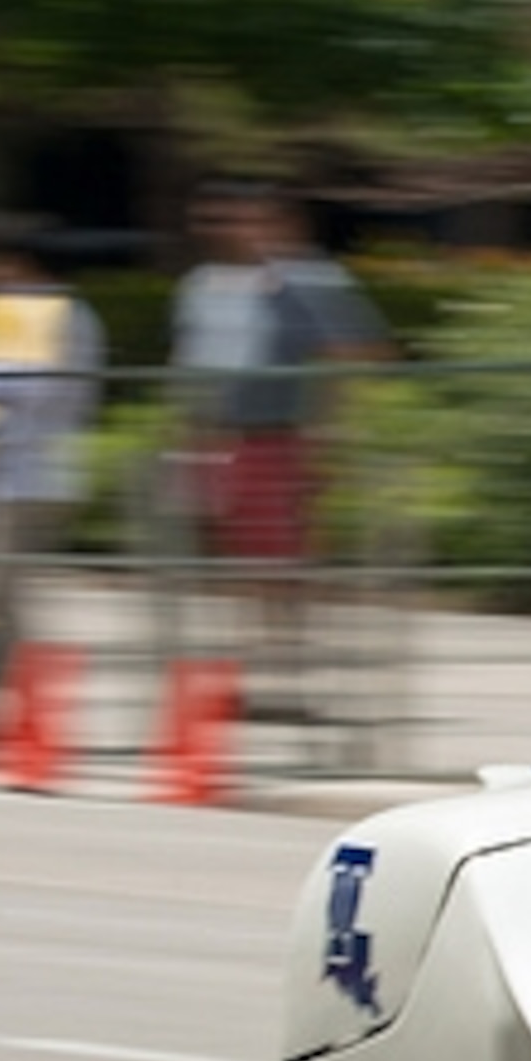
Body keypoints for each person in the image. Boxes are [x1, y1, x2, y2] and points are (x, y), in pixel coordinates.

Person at [168, 179, 389, 704]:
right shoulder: (203, 284)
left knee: (280, 560)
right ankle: (248, 667)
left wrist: (330, 427)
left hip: (277, 436)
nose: (223, 230)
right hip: (214, 436)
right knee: (233, 559)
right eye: (213, 218)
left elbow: (360, 351)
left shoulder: (310, 281)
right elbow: (187, 363)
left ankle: (284, 672)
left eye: (238, 217)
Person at [0, 213, 105, 707]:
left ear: (19, 263)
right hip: (5, 477)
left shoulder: (51, 314)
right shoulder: (16, 311)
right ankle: (5, 706)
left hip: (24, 478)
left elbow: (25, 387)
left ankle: (20, 708)